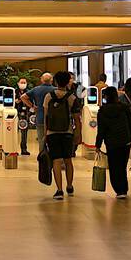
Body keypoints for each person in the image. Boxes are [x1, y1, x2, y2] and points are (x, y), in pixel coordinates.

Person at [41, 70, 82, 199]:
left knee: (56, 161)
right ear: (68, 81)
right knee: (68, 160)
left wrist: (45, 133)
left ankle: (59, 190)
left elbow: (46, 117)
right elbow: (76, 119)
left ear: (56, 81)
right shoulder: (72, 97)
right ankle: (69, 186)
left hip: (52, 133)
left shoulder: (49, 96)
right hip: (67, 133)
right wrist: (78, 134)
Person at [96, 86, 131, 199]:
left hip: (111, 142)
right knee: (122, 165)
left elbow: (101, 130)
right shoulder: (125, 107)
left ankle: (118, 189)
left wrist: (98, 145)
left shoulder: (102, 111)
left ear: (106, 97)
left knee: (114, 166)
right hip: (125, 141)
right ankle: (123, 189)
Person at [15, 77, 32, 154]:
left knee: (24, 132)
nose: (23, 84)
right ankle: (13, 149)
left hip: (26, 114)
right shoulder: (14, 92)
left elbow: (31, 102)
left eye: (24, 83)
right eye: (21, 82)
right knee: (14, 132)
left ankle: (24, 149)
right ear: (18, 83)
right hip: (15, 113)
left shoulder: (29, 92)